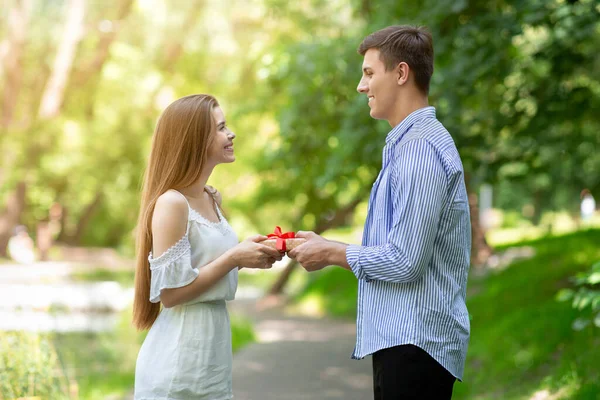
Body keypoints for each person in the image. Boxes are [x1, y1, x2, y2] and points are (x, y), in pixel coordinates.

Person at [288, 25, 471, 399]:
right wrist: (327, 244)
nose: (361, 85)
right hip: (404, 341)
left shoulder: (420, 150)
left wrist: (331, 253)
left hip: (417, 345)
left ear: (401, 73)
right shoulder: (407, 147)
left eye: (369, 73)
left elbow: (405, 261)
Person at [132, 94, 282, 399]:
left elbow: (208, 263)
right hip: (179, 363)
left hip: (211, 358)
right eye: (221, 127)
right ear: (195, 139)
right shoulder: (172, 203)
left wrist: (247, 254)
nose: (231, 134)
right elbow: (171, 295)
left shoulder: (210, 198)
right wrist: (234, 257)